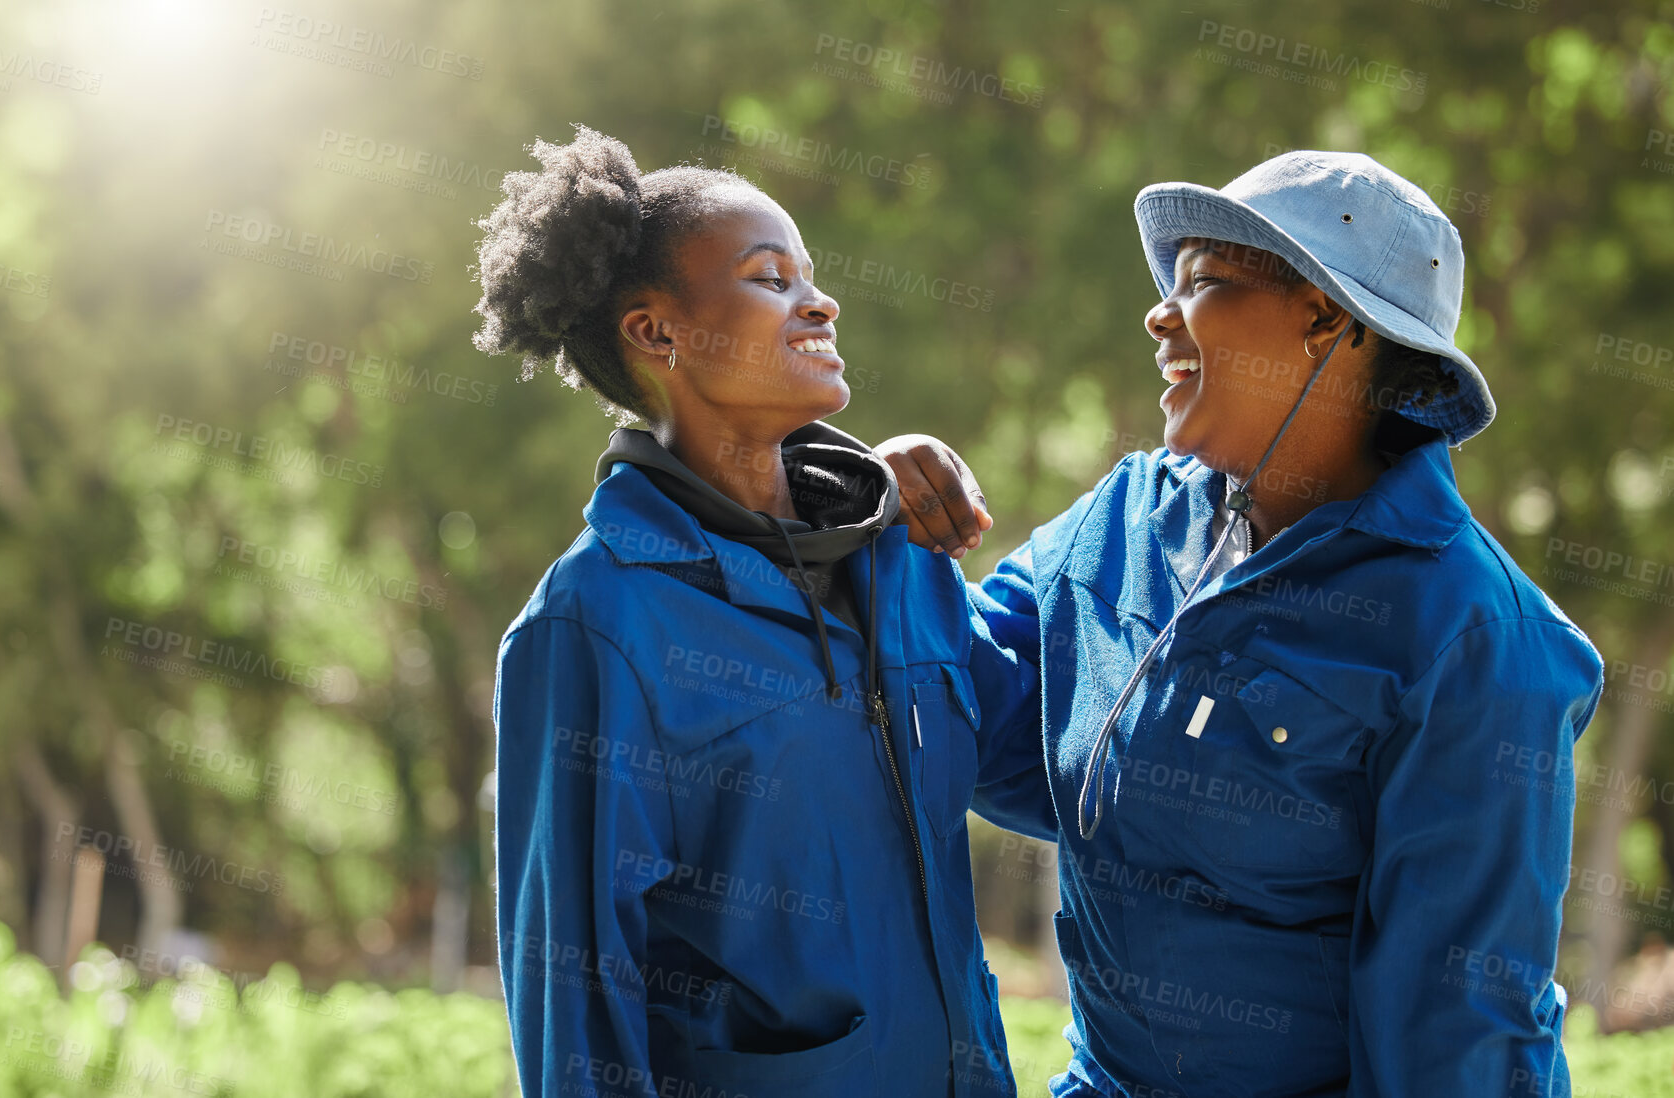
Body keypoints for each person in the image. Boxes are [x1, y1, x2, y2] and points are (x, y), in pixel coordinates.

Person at [881, 150, 1606, 1097]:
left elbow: (1457, 1031)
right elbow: (988, 725)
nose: (1156, 313)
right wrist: (888, 530)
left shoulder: (1474, 637)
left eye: (1204, 281)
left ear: (1324, 321)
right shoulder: (1128, 514)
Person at [478, 125, 1039, 1098]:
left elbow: (1053, 765)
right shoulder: (595, 623)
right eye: (770, 276)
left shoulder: (900, 557)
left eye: (809, 275)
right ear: (657, 332)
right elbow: (575, 1010)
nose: (819, 300)